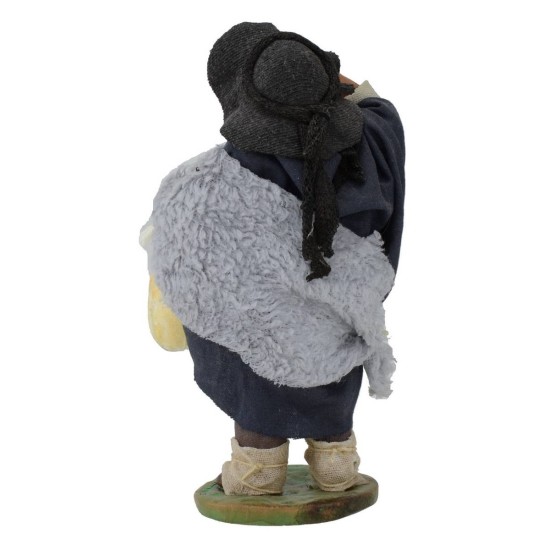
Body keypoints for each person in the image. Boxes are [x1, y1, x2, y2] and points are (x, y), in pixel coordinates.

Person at [140, 22, 406, 496]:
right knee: (330, 355)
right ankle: (336, 463)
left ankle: (258, 469)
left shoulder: (213, 180)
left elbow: (184, 250)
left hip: (261, 344)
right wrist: (330, 84)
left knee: (252, 353)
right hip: (334, 332)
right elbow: (381, 112)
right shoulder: (370, 150)